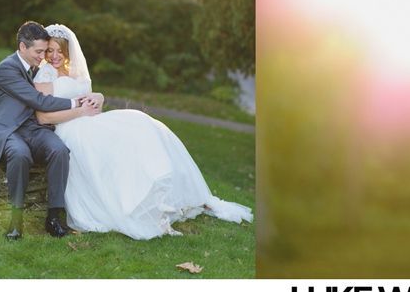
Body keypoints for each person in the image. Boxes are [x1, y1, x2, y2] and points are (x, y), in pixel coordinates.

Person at [32, 24, 253, 240]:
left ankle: (157, 196)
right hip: (70, 130)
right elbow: (44, 117)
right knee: (118, 143)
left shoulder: (76, 72)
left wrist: (98, 97)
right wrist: (80, 112)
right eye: (50, 50)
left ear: (68, 51)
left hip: (91, 123)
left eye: (60, 50)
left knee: (140, 123)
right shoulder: (44, 76)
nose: (54, 56)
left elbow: (93, 106)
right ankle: (134, 205)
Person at [0, 21, 101, 240]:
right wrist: (77, 104)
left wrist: (96, 97)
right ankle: (16, 220)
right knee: (19, 154)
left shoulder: (38, 66)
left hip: (35, 128)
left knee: (59, 150)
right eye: (39, 51)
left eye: (44, 51)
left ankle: (54, 217)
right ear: (22, 47)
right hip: (10, 130)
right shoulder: (8, 68)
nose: (43, 55)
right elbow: (39, 100)